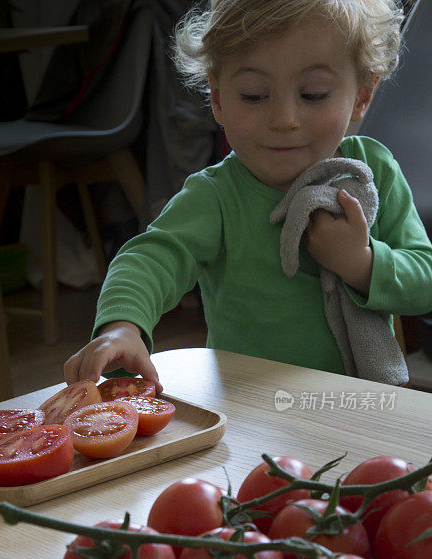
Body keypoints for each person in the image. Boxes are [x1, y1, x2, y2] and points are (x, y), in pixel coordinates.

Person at [64, 0, 432, 391]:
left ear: (362, 95)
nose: (284, 120)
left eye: (313, 94)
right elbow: (150, 258)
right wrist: (122, 327)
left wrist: (362, 264)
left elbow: (425, 279)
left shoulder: (374, 171)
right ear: (219, 98)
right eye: (255, 96)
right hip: (253, 411)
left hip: (364, 404)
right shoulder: (216, 196)